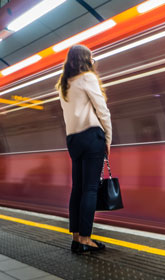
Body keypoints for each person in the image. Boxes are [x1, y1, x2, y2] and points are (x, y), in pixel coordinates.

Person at [56, 44, 112, 253]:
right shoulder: (87, 78)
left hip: (73, 140)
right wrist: (108, 138)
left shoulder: (64, 85)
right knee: (89, 189)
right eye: (91, 57)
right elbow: (102, 110)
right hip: (91, 137)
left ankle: (76, 238)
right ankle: (86, 240)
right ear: (84, 59)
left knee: (77, 189)